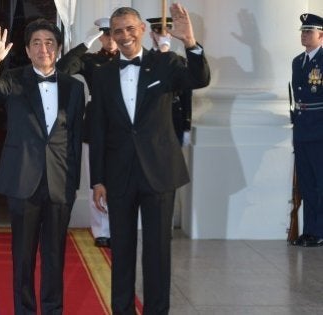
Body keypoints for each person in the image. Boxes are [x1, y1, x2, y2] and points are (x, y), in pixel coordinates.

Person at [89, 4, 210, 314]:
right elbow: (99, 129)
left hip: (159, 172)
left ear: (142, 29)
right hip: (118, 175)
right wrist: (98, 180)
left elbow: (200, 79)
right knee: (123, 251)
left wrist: (191, 43)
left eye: (130, 28)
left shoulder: (166, 63)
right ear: (112, 36)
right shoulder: (102, 76)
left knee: (157, 253)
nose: (125, 35)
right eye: (118, 31)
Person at [0, 19, 85, 314]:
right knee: (23, 258)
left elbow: (75, 138)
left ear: (60, 48)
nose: (44, 48)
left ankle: (53, 310)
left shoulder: (74, 88)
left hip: (59, 182)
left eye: (50, 42)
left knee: (55, 258)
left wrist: (72, 182)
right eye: (37, 43)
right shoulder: (14, 79)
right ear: (27, 50)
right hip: (22, 180)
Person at [56, 17, 118, 248]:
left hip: (123, 125)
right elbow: (62, 69)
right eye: (105, 34)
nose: (110, 39)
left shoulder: (129, 58)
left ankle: (119, 227)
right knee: (97, 177)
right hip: (96, 123)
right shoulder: (91, 60)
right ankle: (101, 230)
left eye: (113, 33)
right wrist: (85, 43)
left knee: (121, 179)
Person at [290, 13, 323, 247]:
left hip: (320, 129)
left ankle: (319, 231)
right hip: (302, 129)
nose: (304, 35)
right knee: (307, 183)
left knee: (321, 183)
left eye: (308, 31)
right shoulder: (297, 61)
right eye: (302, 31)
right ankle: (310, 231)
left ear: (321, 35)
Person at [146, 17, 193, 146]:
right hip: (151, 120)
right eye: (158, 33)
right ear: (151, 34)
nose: (162, 37)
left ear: (171, 36)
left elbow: (186, 95)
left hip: (173, 119)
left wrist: (186, 125)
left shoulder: (179, 61)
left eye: (166, 33)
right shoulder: (144, 60)